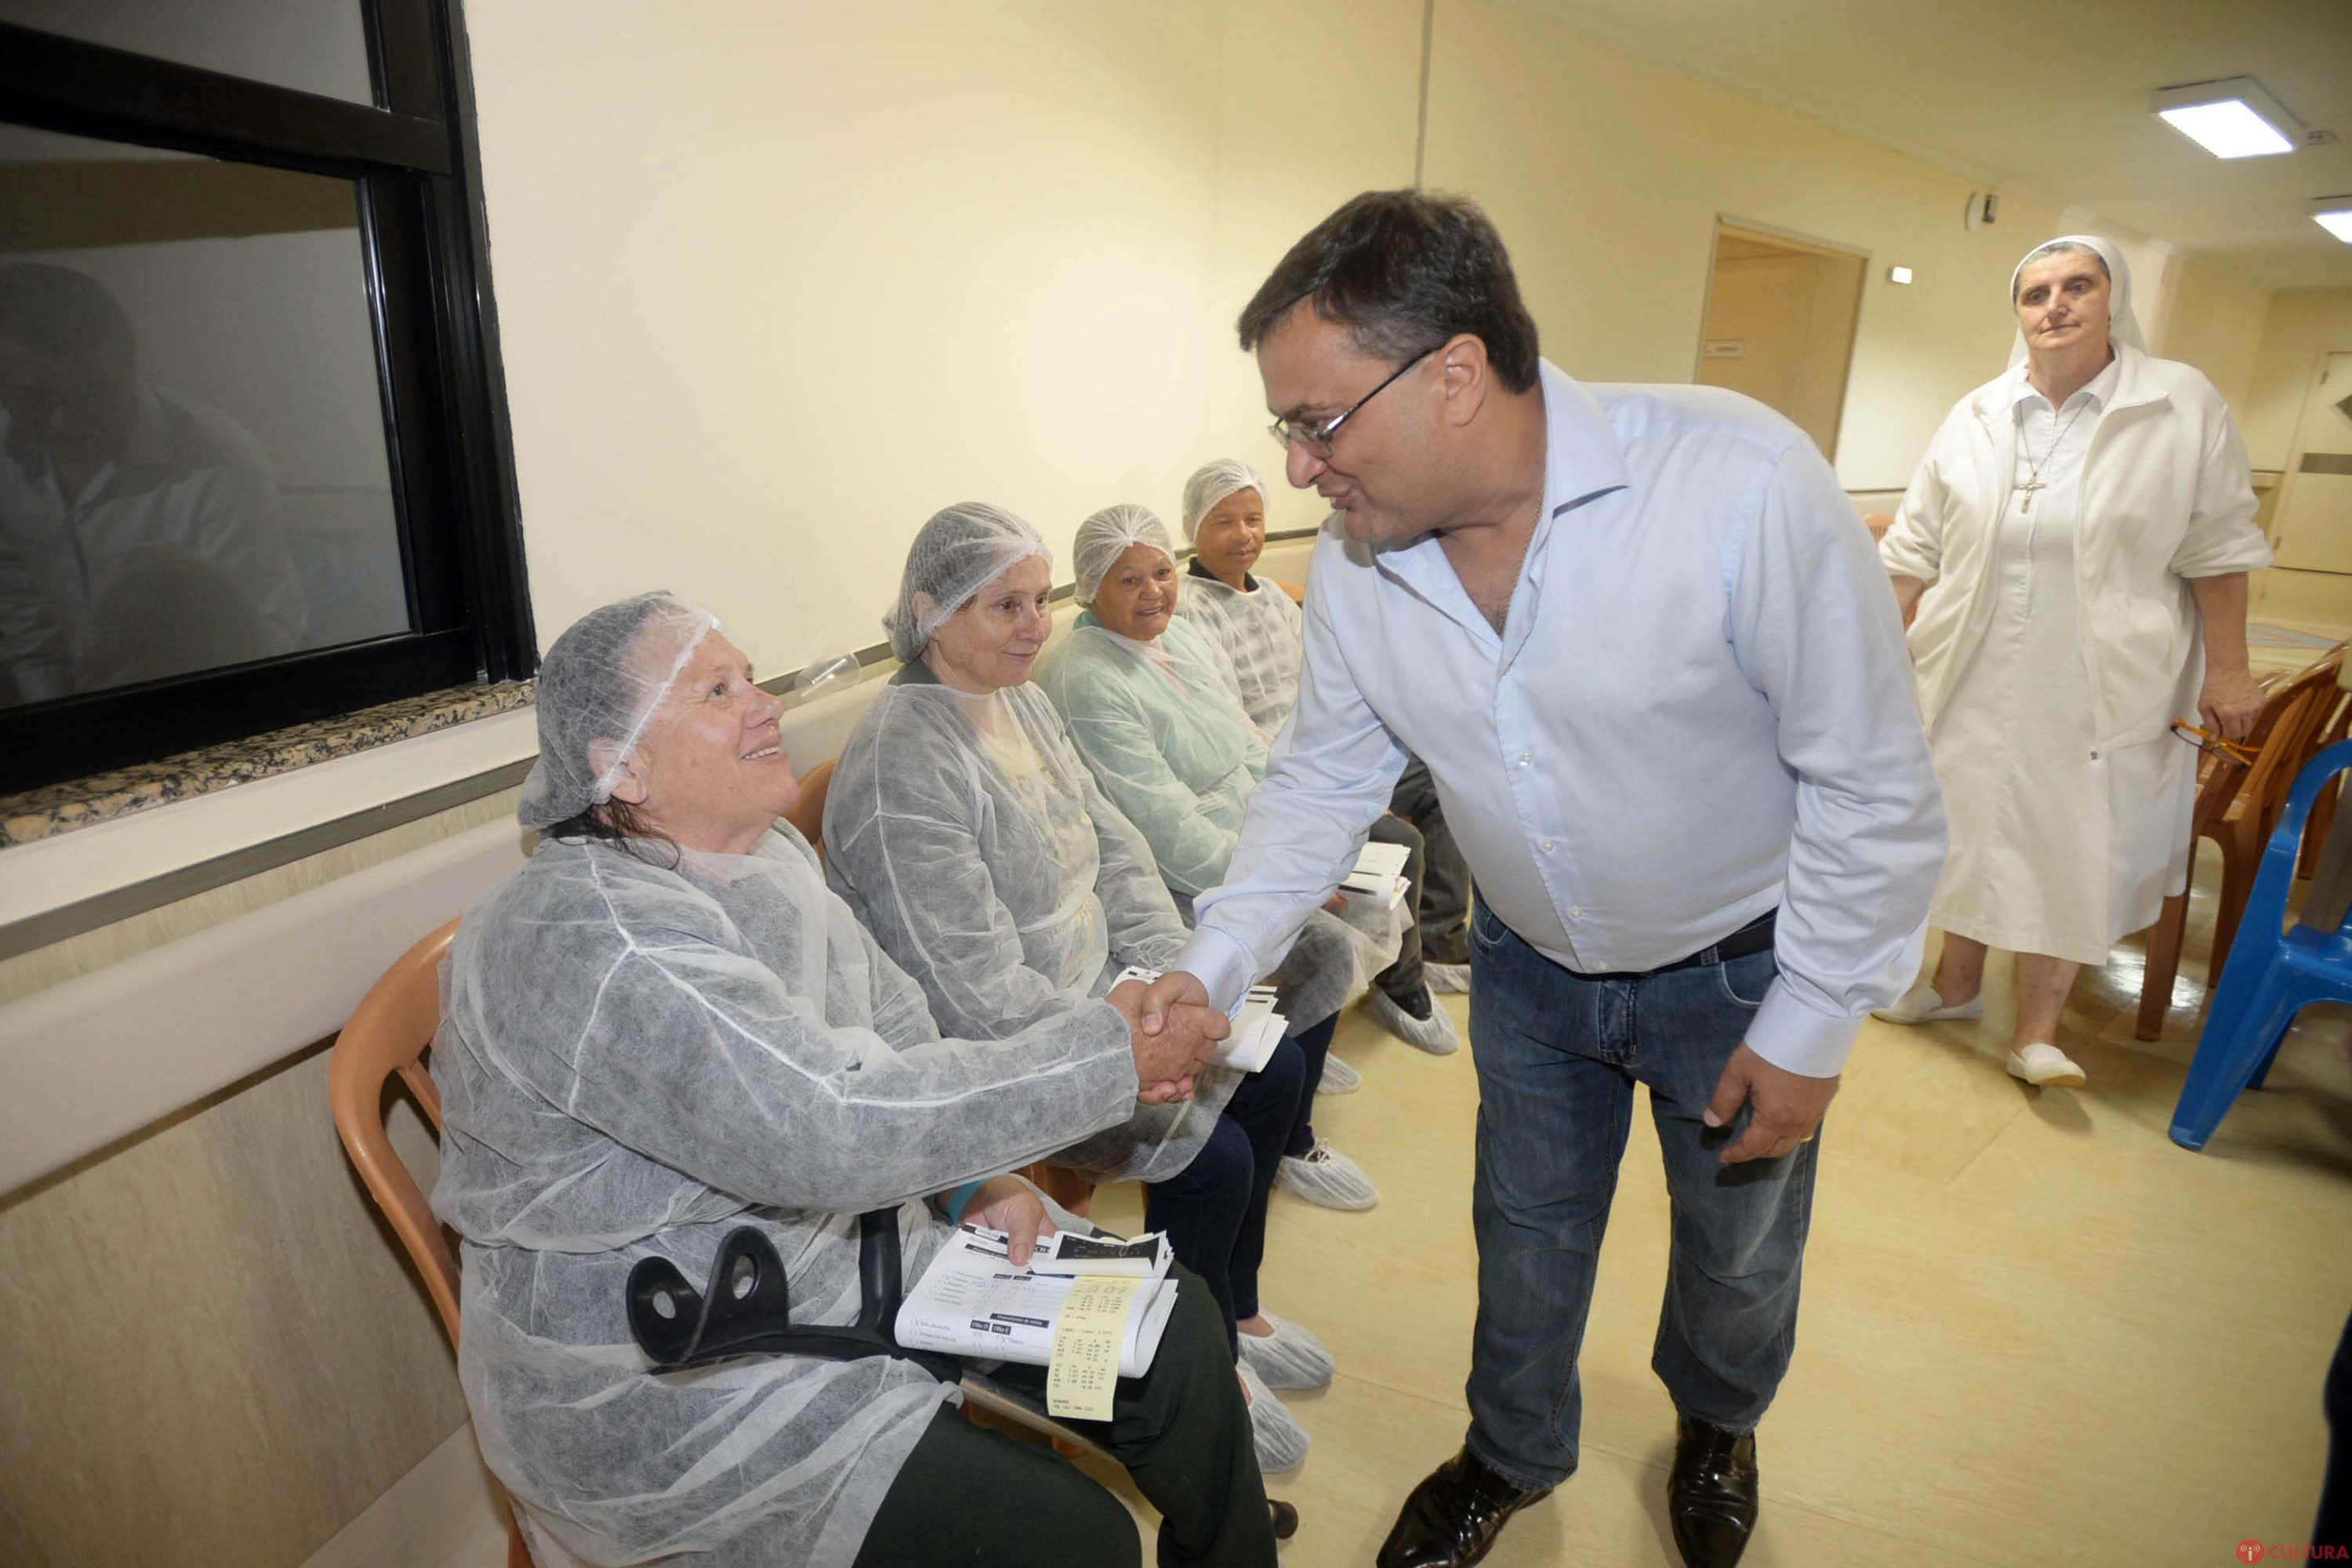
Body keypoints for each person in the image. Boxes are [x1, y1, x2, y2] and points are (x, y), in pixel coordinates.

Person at [1132, 191, 1946, 1568]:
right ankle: (1508, 1452)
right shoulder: (1362, 562)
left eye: (1317, 422)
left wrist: (1815, 1024)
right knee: (1523, 1237)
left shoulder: (1736, 487)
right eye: (1288, 426)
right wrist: (1210, 971)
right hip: (1528, 973)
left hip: (1740, 973)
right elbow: (1322, 783)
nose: (1303, 467)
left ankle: (1718, 1423)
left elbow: (1872, 783)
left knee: (1738, 1255)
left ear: (1455, 373)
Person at [430, 591, 1283, 1568]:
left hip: (857, 1252)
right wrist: (1108, 1055)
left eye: (750, 675)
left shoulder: (769, 855)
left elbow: (892, 1028)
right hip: (685, 1378)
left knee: (1180, 1342)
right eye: (717, 689)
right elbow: (824, 1124)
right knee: (1082, 1541)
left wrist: (977, 1180)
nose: (764, 703)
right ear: (618, 763)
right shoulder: (587, 938)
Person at [824, 502, 1329, 1474]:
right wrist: (1122, 1043)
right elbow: (969, 992)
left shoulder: (1021, 699)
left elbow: (1117, 848)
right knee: (1215, 1161)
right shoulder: (905, 761)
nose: (1033, 625)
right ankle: (1200, 1368)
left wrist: (1170, 979)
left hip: (1108, 987)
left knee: (1275, 1072)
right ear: (929, 612)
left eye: (1039, 599)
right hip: (1002, 1048)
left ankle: (1240, 1308)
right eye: (1002, 605)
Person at [1875, 235, 2271, 1089]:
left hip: (2100, 667)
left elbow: (2219, 547)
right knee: (1967, 821)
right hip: (1972, 655)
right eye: (2035, 292)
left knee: (2066, 833)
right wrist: (1872, 647)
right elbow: (1913, 544)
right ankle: (1953, 987)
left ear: (2111, 299)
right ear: (2017, 313)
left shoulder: (2180, 404)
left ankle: (2040, 1031)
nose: (2054, 305)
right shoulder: (1976, 410)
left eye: (2076, 287)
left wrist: (2230, 670)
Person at [1038, 503, 1399, 1212]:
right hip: (1184, 877)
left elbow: (1247, 740)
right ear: (1088, 590)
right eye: (1128, 580)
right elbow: (1161, 826)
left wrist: (1300, 851)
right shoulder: (1086, 678)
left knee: (1337, 921)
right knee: (1321, 946)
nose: (1154, 593)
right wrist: (1269, 890)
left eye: (1162, 572)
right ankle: (1289, 1132)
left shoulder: (1183, 638)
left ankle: (1290, 1096)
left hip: (1252, 847)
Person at [1177, 456, 1473, 993]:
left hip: (1326, 742)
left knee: (1438, 779)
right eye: (1224, 521)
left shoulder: (1274, 595)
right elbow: (1229, 721)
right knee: (1397, 834)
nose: (1244, 535)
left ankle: (1441, 945)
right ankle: (1396, 982)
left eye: (1253, 519)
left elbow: (1326, 686)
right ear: (1191, 528)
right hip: (1280, 766)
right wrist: (1345, 780)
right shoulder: (1189, 613)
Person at [0, 263, 306, 704]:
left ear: (130, 361)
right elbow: (30, 637)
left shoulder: (224, 462)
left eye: (91, 395)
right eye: (33, 398)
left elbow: (262, 646)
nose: (62, 424)